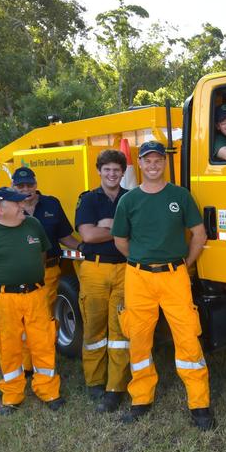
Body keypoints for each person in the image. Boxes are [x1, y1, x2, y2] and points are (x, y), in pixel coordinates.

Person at [112, 140, 215, 430]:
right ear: (140, 164)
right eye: (147, 160)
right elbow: (120, 240)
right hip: (138, 278)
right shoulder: (128, 200)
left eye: (158, 160)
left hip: (174, 276)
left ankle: (200, 405)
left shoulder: (180, 196)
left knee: (187, 338)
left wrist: (186, 264)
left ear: (164, 164)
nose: (153, 165)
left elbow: (198, 233)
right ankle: (141, 399)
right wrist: (139, 259)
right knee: (139, 338)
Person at [0, 187, 65, 414]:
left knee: (43, 342)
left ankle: (48, 390)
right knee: (10, 346)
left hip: (35, 294)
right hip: (3, 299)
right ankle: (12, 394)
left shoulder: (33, 225)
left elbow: (42, 255)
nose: (23, 205)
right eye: (17, 203)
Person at [75, 150, 130, 412]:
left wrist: (107, 225)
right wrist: (119, 229)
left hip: (125, 270)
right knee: (94, 329)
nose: (111, 174)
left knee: (120, 332)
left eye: (116, 170)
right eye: (106, 169)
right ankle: (95, 381)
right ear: (99, 171)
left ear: (123, 172)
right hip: (94, 271)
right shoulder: (88, 199)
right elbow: (88, 235)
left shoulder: (131, 198)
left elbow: (137, 231)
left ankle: (115, 388)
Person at [11, 167, 80, 373]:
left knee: (44, 319)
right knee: (22, 321)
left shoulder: (51, 204)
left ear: (36, 184)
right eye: (20, 185)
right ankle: (27, 366)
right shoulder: (8, 207)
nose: (26, 189)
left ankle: (44, 361)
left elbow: (65, 237)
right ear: (14, 186)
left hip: (48, 271)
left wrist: (86, 248)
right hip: (19, 273)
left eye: (29, 184)